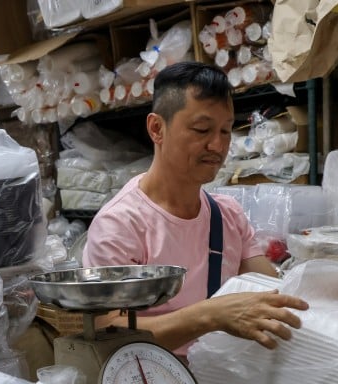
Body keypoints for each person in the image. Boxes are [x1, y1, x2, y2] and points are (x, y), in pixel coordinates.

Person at [82, 61, 308, 354]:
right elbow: (109, 333)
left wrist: (334, 291)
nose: (217, 145)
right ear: (156, 128)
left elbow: (275, 292)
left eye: (226, 131)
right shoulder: (121, 225)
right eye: (202, 130)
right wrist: (211, 315)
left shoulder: (227, 215)